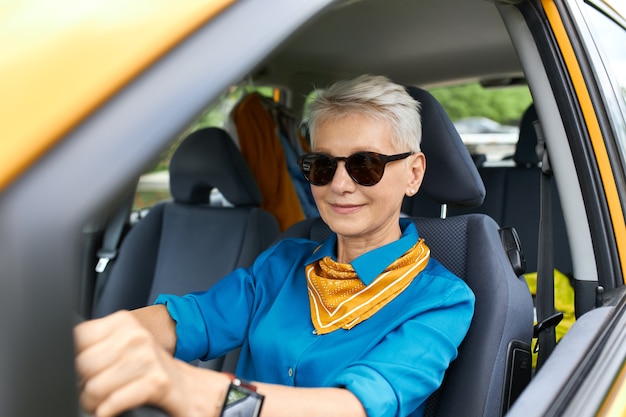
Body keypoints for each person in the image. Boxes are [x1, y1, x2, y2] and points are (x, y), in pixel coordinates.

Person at [74, 74, 475, 417]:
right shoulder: (283, 262)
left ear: (414, 173)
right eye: (322, 166)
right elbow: (189, 319)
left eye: (364, 165)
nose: (339, 185)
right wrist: (86, 342)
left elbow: (351, 407)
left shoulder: (441, 300)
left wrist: (193, 390)